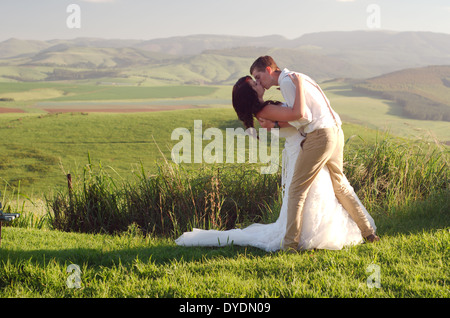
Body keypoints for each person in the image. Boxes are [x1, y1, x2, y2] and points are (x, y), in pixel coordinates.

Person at [175, 74, 377, 252]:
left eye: (256, 79)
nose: (258, 83)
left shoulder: (267, 110)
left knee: (324, 190)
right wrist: (299, 86)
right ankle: (294, 242)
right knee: (304, 192)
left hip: (306, 146)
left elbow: (296, 120)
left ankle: (320, 234)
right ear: (251, 94)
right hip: (303, 149)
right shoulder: (265, 112)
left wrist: (283, 120)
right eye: (253, 83)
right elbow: (301, 116)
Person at [250, 56, 379, 252]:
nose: (259, 83)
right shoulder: (297, 76)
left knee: (296, 190)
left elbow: (303, 116)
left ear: (269, 69)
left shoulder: (286, 82)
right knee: (341, 186)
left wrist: (276, 123)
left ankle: (290, 245)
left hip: (320, 136)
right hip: (336, 130)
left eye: (258, 77)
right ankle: (369, 233)